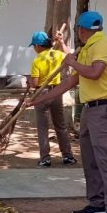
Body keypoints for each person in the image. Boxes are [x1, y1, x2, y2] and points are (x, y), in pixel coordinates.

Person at [30, 11, 107, 213]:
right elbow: (72, 81)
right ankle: (97, 203)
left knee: (105, 159)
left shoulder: (102, 45)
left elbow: (95, 72)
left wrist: (72, 62)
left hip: (104, 108)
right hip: (90, 108)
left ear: (82, 30)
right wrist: (40, 98)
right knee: (90, 158)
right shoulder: (87, 48)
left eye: (78, 30)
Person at [28, 31, 76, 167]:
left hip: (41, 94)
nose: (34, 49)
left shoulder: (37, 60)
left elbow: (35, 83)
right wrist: (62, 42)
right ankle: (67, 156)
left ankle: (45, 158)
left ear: (38, 46)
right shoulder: (57, 54)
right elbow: (70, 56)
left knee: (42, 127)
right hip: (56, 92)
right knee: (60, 125)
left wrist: (29, 81)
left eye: (34, 46)